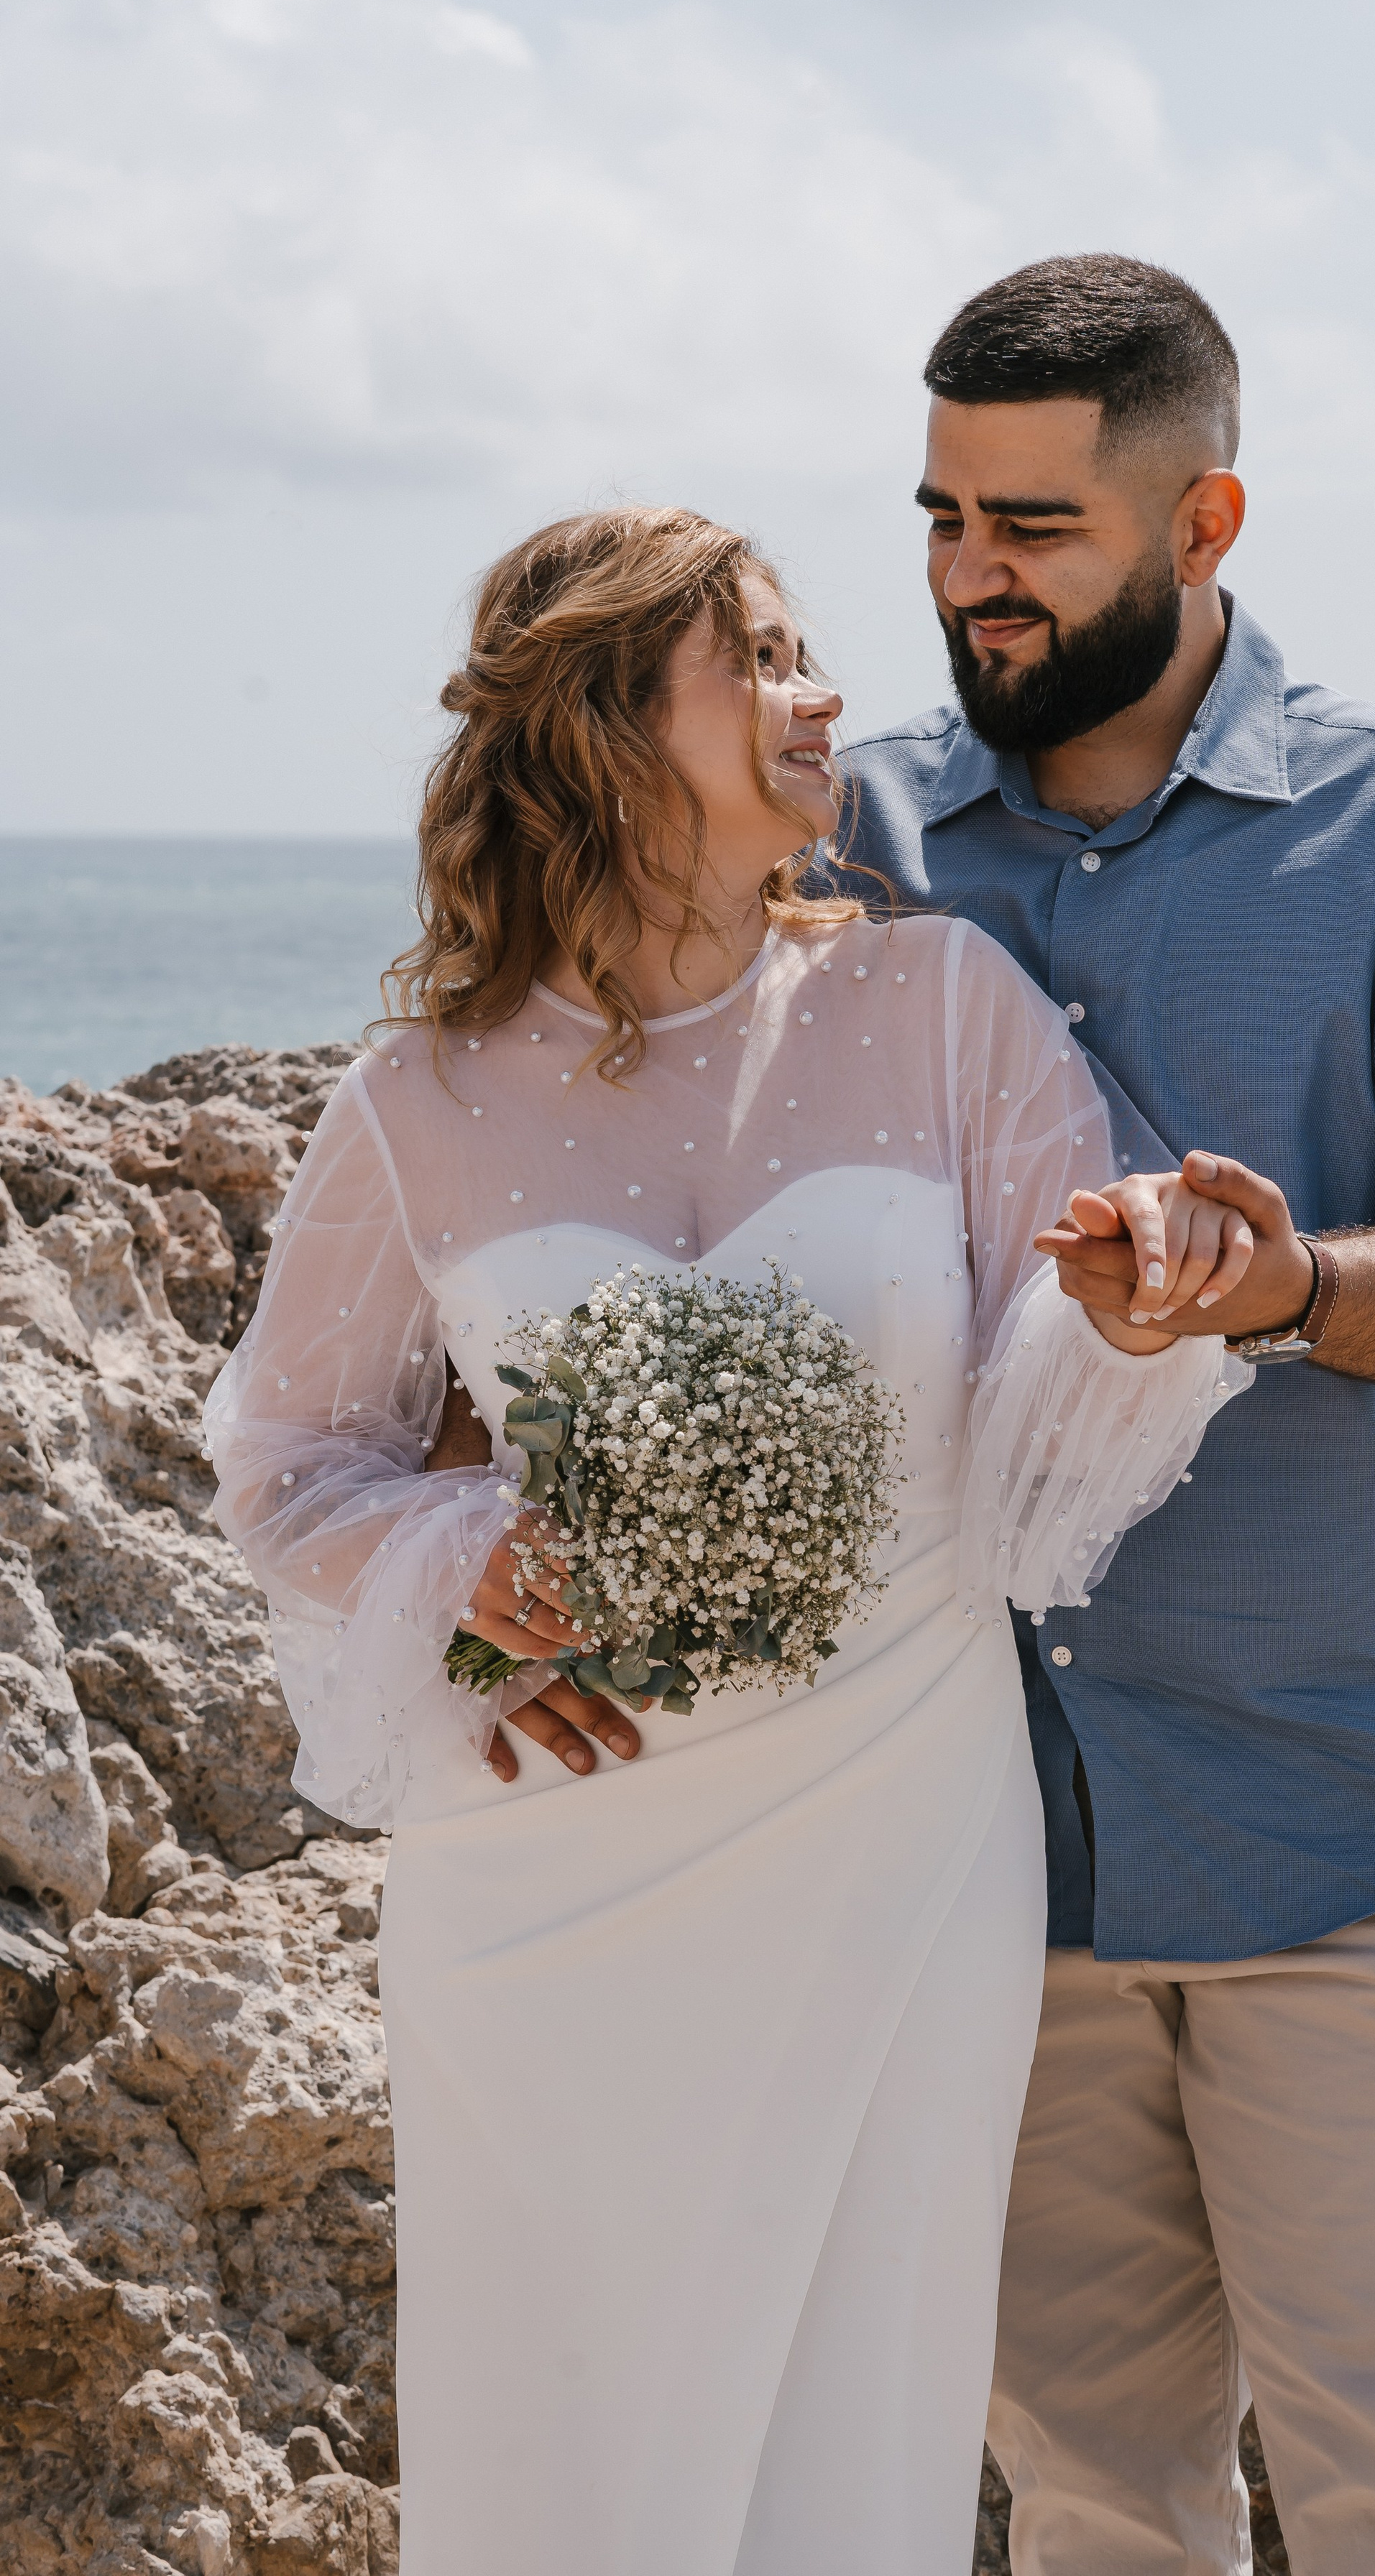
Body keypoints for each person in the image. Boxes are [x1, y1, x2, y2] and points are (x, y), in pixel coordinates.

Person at [202, 504, 1256, 2576]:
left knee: (855, 2418)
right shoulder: (420, 1096)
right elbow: (293, 1466)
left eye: (807, 652)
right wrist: (479, 1585)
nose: (825, 695)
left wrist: (1143, 1293)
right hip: (551, 1871)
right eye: (760, 658)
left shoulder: (943, 1003)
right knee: (560, 2445)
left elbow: (1072, 1313)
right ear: (603, 720)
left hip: (899, 1835)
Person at [836, 255, 1375, 2576]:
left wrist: (1279, 1291)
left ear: (1209, 520)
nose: (974, 576)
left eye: (1038, 527)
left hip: (1370, 1851)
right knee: (1087, 2517)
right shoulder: (843, 842)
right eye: (946, 514)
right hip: (993, 1873)